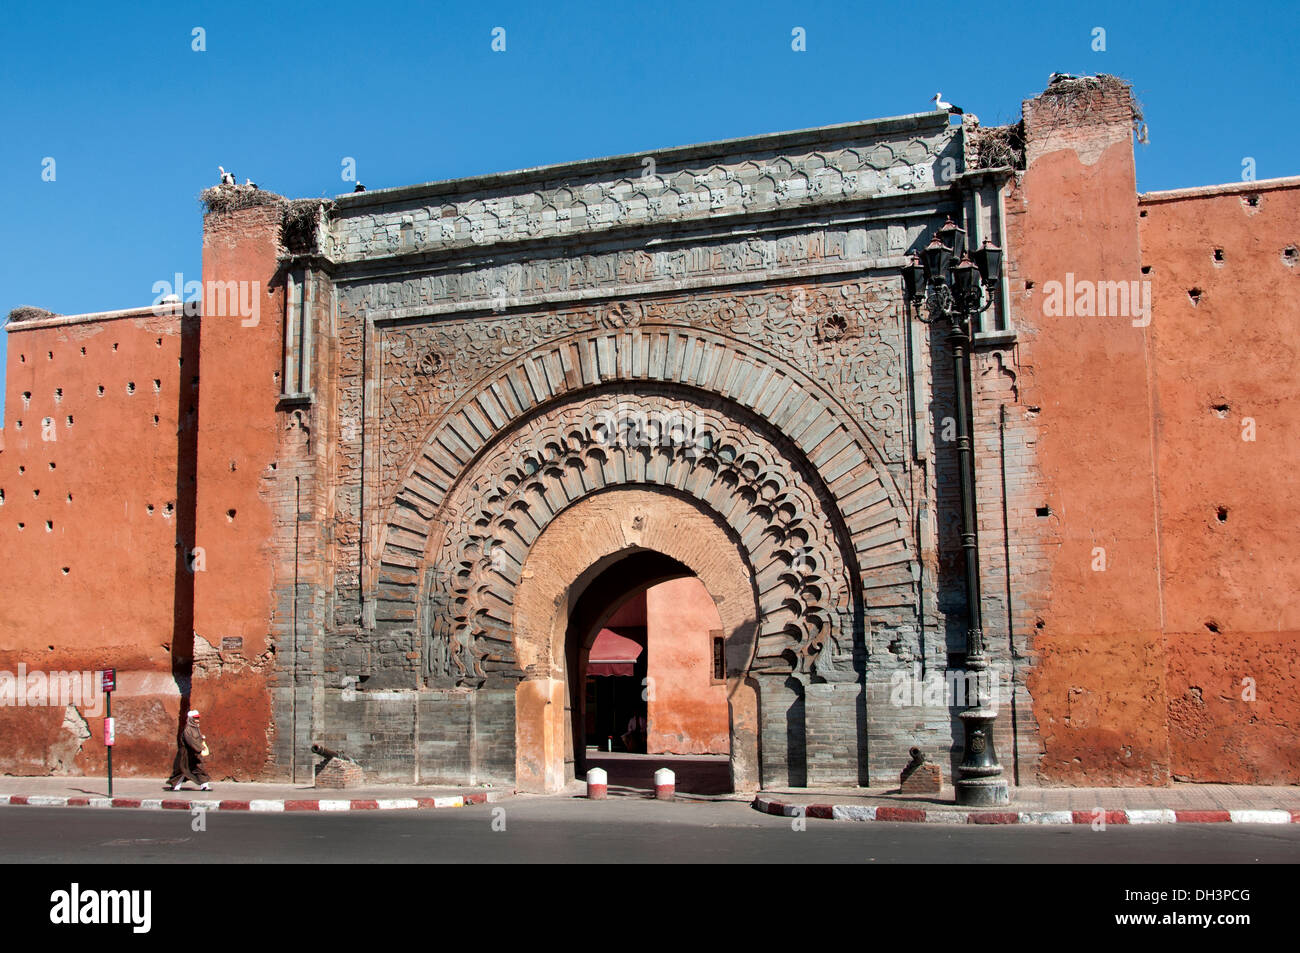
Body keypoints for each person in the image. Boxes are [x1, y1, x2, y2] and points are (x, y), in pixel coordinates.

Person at [165, 709, 211, 792]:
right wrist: (199, 749)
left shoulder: (196, 729)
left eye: (197, 718)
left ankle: (205, 785)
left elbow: (196, 740)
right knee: (182, 770)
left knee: (199, 769)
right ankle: (175, 786)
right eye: (195, 718)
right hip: (186, 755)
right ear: (191, 719)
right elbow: (191, 741)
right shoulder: (188, 730)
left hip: (194, 754)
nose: (197, 720)